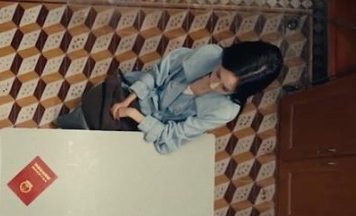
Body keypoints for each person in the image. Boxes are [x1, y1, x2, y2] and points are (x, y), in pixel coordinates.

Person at [54, 40, 284, 154]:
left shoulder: (224, 111)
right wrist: (130, 99)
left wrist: (135, 115)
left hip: (150, 127)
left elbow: (172, 136)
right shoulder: (210, 54)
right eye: (217, 74)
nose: (213, 84)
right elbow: (158, 74)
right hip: (140, 95)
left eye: (224, 88)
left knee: (109, 145)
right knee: (97, 104)